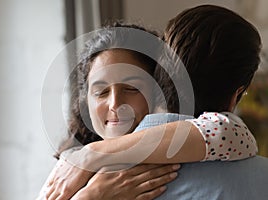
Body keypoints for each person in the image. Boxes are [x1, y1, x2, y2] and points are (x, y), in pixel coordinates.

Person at [40, 8, 263, 199]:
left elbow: (224, 131)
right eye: (101, 92)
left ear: (160, 89)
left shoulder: (193, 146)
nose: (116, 104)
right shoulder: (66, 175)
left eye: (131, 88)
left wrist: (94, 153)